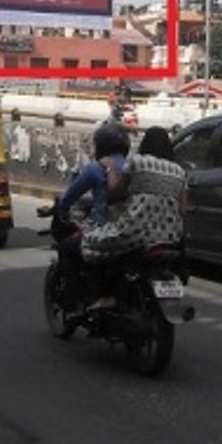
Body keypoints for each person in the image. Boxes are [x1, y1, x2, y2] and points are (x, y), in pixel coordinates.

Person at [79, 126, 187, 309]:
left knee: (90, 241)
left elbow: (114, 192)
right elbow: (182, 209)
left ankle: (107, 295)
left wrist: (110, 169)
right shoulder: (180, 171)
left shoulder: (137, 162)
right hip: (170, 236)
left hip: (136, 231)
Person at [52, 119, 131, 309]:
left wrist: (57, 206)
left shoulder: (97, 168)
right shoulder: (133, 166)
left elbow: (69, 197)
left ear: (101, 146)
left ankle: (73, 298)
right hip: (132, 228)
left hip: (105, 230)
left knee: (66, 247)